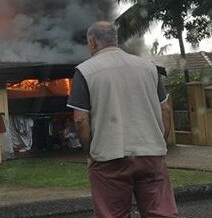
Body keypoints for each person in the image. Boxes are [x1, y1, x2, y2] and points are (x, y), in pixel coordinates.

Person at [67, 21, 178, 218]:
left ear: (92, 42)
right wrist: (158, 141)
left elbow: (80, 120)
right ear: (115, 40)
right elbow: (166, 110)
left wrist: (91, 150)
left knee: (112, 214)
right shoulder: (149, 68)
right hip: (151, 155)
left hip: (109, 158)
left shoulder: (85, 71)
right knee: (161, 213)